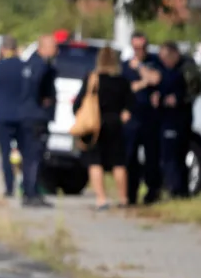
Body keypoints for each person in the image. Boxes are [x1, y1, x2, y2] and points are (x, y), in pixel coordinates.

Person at [73, 46, 132, 209]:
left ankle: (101, 198)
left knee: (95, 162)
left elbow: (78, 103)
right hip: (115, 125)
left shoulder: (92, 78)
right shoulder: (122, 81)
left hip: (95, 125)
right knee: (118, 163)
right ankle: (123, 198)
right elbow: (130, 104)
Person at [123, 31, 164, 204]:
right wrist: (145, 81)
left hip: (151, 117)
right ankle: (130, 193)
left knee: (152, 157)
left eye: (142, 47)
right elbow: (128, 88)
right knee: (130, 157)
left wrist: (140, 69)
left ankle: (152, 192)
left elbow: (156, 79)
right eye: (136, 47)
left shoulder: (154, 61)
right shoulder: (125, 65)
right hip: (133, 116)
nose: (139, 50)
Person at [18, 35, 58, 207]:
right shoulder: (41, 65)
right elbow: (37, 85)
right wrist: (44, 99)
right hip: (36, 117)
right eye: (54, 46)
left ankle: (30, 191)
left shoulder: (29, 63)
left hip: (27, 115)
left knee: (30, 156)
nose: (56, 50)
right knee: (34, 156)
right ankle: (32, 192)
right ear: (44, 47)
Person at [0, 36, 25, 197]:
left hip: (2, 115)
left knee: (5, 153)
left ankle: (9, 187)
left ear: (3, 49)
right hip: (21, 114)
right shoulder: (23, 67)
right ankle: (25, 183)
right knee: (23, 151)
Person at [158, 41, 191, 198]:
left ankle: (177, 189)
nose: (164, 61)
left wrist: (176, 99)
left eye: (166, 57)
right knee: (169, 156)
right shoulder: (165, 69)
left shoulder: (185, 69)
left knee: (175, 157)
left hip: (178, 119)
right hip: (166, 119)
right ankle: (173, 187)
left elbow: (191, 92)